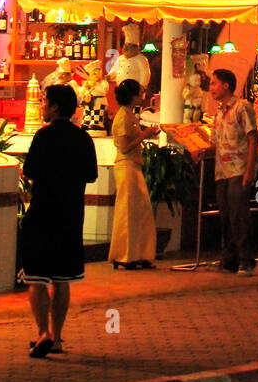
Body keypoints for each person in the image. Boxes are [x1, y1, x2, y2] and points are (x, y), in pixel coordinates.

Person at [19, 84, 98, 357]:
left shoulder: (43, 136)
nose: (41, 105)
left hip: (42, 213)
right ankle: (59, 337)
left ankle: (43, 333)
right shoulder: (83, 138)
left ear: (54, 107)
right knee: (61, 279)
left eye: (44, 101)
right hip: (70, 215)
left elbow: (29, 171)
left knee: (37, 278)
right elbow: (91, 175)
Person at [209, 68, 258, 276]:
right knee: (226, 215)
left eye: (214, 83)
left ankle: (246, 260)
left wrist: (249, 170)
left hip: (238, 169)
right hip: (221, 171)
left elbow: (252, 138)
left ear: (226, 85)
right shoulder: (219, 113)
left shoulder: (242, 107)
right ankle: (230, 258)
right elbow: (215, 143)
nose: (211, 88)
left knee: (239, 215)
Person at [108, 79, 158, 270]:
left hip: (132, 166)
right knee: (128, 211)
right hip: (126, 166)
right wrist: (145, 135)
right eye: (139, 93)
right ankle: (125, 255)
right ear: (132, 96)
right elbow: (125, 147)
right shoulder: (123, 117)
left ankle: (137, 254)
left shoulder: (128, 115)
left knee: (139, 211)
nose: (141, 96)